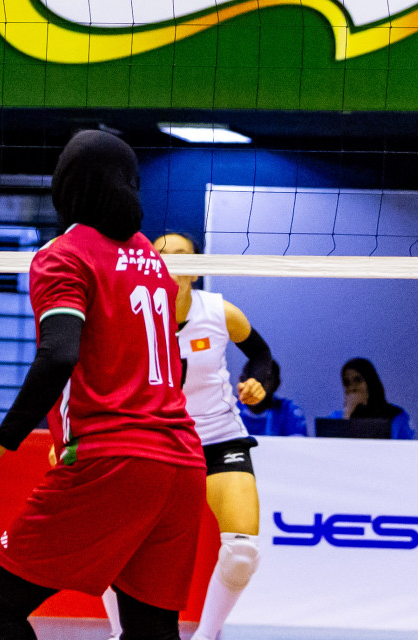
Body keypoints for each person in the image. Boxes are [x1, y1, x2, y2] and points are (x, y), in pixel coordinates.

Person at [0, 131, 204, 640]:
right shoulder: (152, 260)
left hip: (114, 459)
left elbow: (60, 352)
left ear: (66, 184)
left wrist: (2, 443)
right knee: (151, 630)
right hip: (182, 464)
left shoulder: (64, 255)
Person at [101, 231, 275, 640]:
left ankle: (206, 636)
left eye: (183, 256)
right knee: (112, 546)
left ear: (195, 270)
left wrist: (257, 383)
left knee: (241, 553)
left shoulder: (219, 312)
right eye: (163, 255)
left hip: (217, 439)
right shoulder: (126, 314)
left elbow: (262, 356)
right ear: (148, 264)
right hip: (149, 441)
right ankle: (117, 633)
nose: (173, 262)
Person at [330, 358, 414, 439]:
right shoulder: (336, 417)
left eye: (358, 380)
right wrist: (347, 416)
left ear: (370, 382)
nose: (352, 388)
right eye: (347, 382)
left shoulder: (396, 417)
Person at [238, 359, 307, 437]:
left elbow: (297, 447)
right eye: (253, 376)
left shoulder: (288, 411)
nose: (259, 383)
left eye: (267, 378)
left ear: (277, 383)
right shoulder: (227, 410)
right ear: (241, 380)